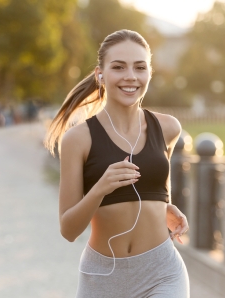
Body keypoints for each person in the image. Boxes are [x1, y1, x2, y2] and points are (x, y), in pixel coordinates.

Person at [45, 29, 190, 297]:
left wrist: (165, 206)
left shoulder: (168, 128)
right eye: (119, 67)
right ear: (101, 73)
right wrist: (100, 188)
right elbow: (68, 230)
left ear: (149, 73)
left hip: (162, 272)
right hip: (103, 277)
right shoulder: (78, 139)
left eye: (139, 67)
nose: (130, 76)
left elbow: (156, 186)